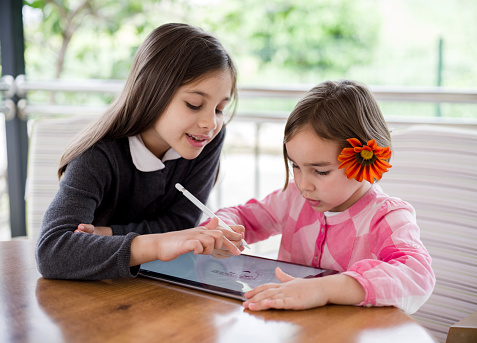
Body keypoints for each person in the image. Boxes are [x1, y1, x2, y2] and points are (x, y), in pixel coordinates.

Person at [204, 80, 436, 314]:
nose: (304, 185)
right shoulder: (292, 198)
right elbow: (241, 216)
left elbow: (418, 275)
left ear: (364, 159)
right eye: (296, 166)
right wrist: (221, 229)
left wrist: (324, 289)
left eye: (321, 171)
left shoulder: (386, 217)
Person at [35, 23, 243, 281]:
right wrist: (157, 245)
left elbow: (180, 224)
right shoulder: (97, 156)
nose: (211, 123)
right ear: (152, 92)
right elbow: (52, 252)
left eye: (220, 109)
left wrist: (106, 233)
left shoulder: (206, 139)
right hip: (95, 294)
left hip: (160, 288)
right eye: (194, 104)